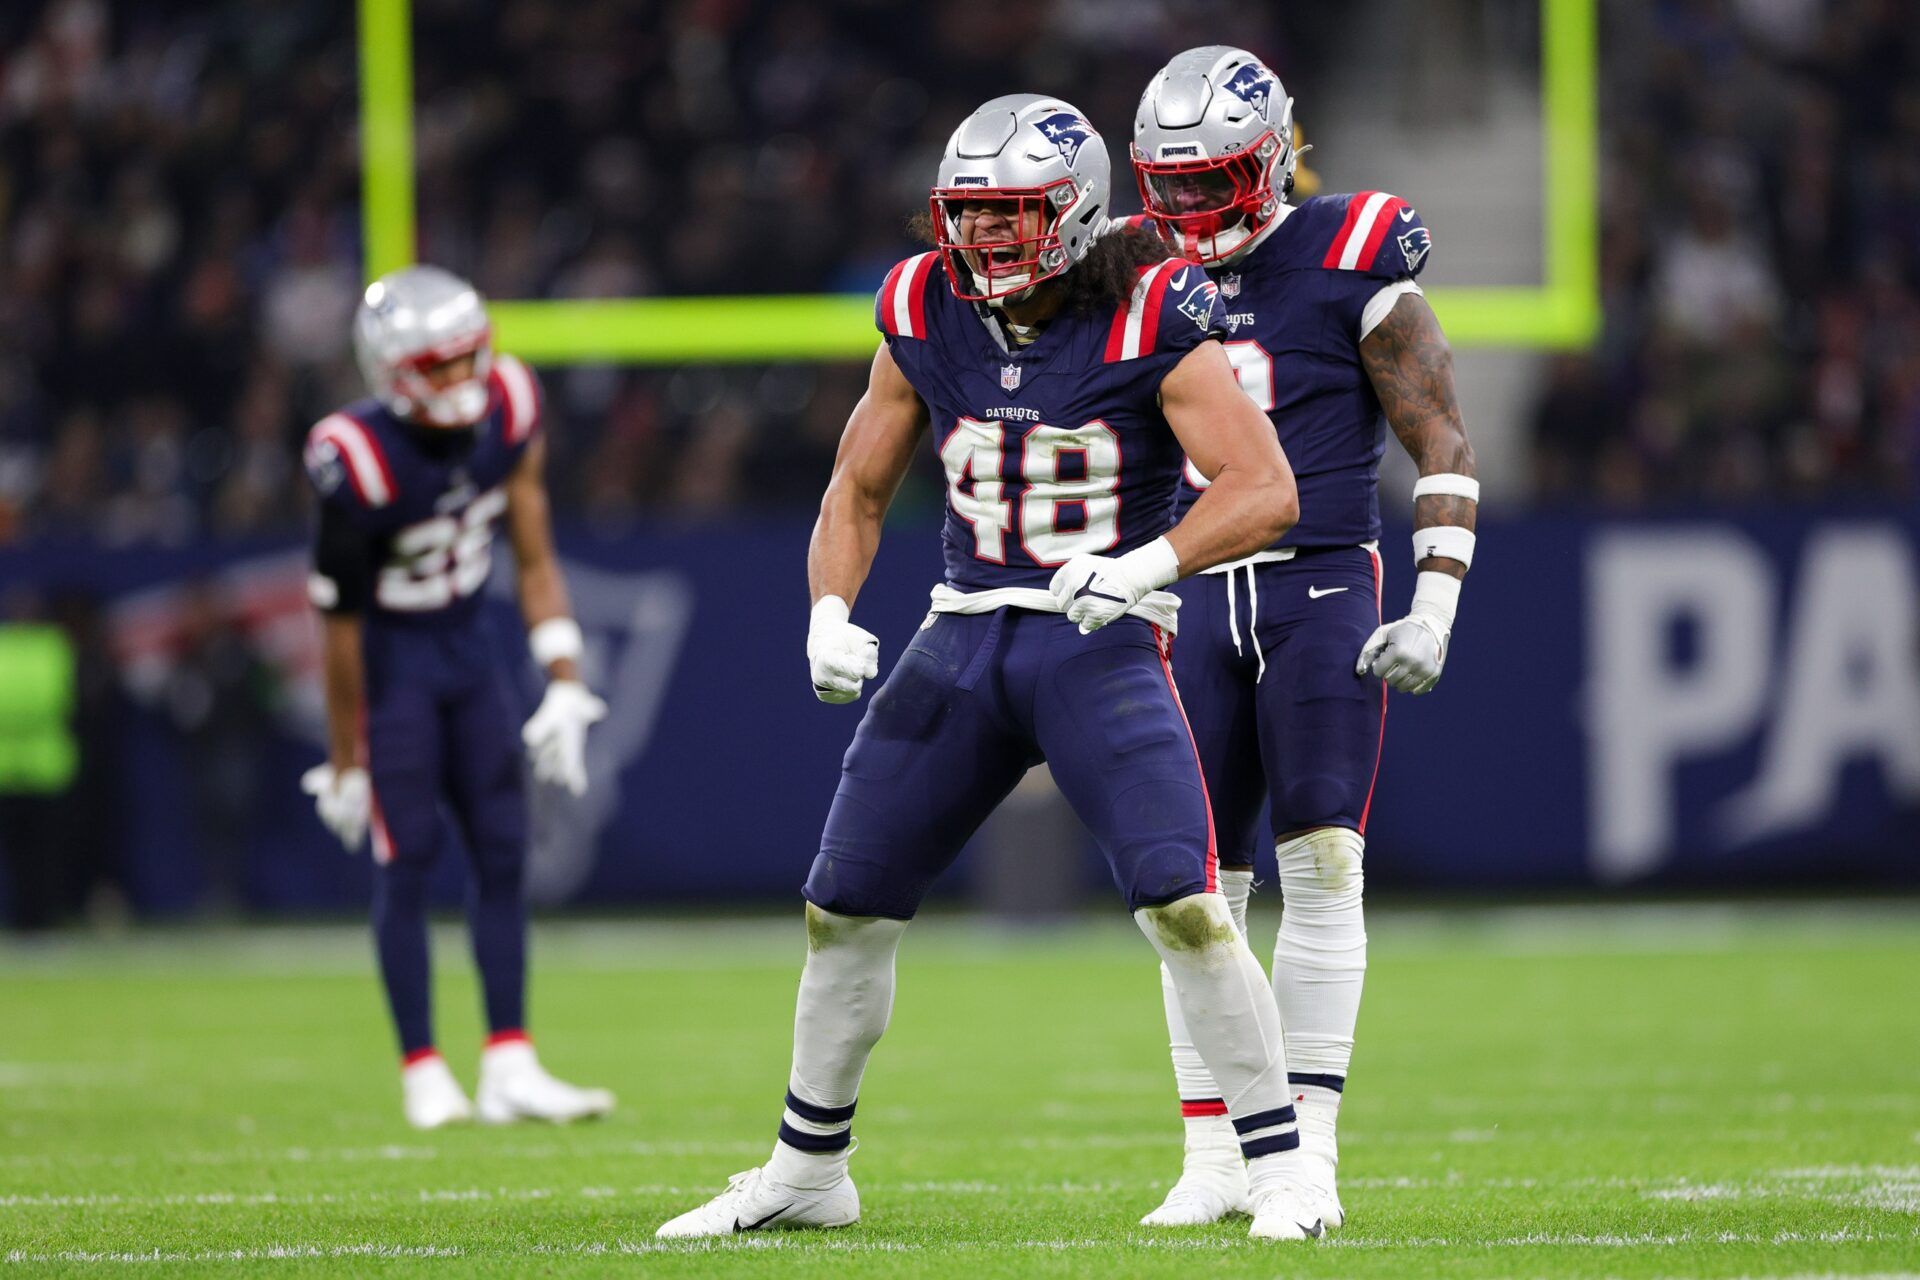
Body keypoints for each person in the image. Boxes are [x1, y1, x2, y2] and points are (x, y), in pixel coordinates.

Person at [657, 93, 1328, 1244]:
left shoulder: (1151, 307)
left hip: (1097, 640)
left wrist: (1147, 562)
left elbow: (1267, 488)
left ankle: (1285, 1170)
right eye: (969, 215)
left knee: (1184, 901)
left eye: (1012, 216)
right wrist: (827, 609)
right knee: (842, 908)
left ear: (1072, 216)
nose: (983, 240)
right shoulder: (924, 302)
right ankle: (808, 1165)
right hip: (962, 630)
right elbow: (857, 486)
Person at [1126, 48, 1480, 1229]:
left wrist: (1433, 602)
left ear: (1273, 155)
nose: (1183, 209)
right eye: (1166, 184)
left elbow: (1440, 439)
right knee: (1193, 886)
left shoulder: (1352, 249)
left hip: (1321, 582)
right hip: (1184, 589)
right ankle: (1215, 1155)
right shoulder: (1131, 267)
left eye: (1209, 179)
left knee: (1322, 856)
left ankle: (1307, 1150)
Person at [299, 265, 615, 1129]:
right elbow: (338, 622)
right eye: (440, 366)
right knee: (408, 857)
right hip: (396, 664)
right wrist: (343, 758)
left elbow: (535, 548)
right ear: (390, 369)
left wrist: (564, 679)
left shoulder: (510, 404)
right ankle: (422, 1069)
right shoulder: (353, 457)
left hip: (472, 649)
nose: (464, 380)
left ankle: (510, 1060)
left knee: (504, 848)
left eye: (471, 357)